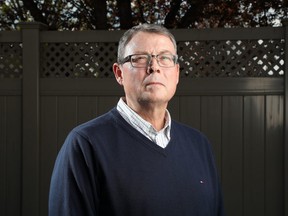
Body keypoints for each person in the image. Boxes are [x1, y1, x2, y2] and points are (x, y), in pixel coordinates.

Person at [49, 23, 225, 216]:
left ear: (176, 74)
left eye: (165, 58)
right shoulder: (85, 144)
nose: (154, 67)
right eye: (140, 59)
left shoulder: (199, 144)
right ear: (118, 74)